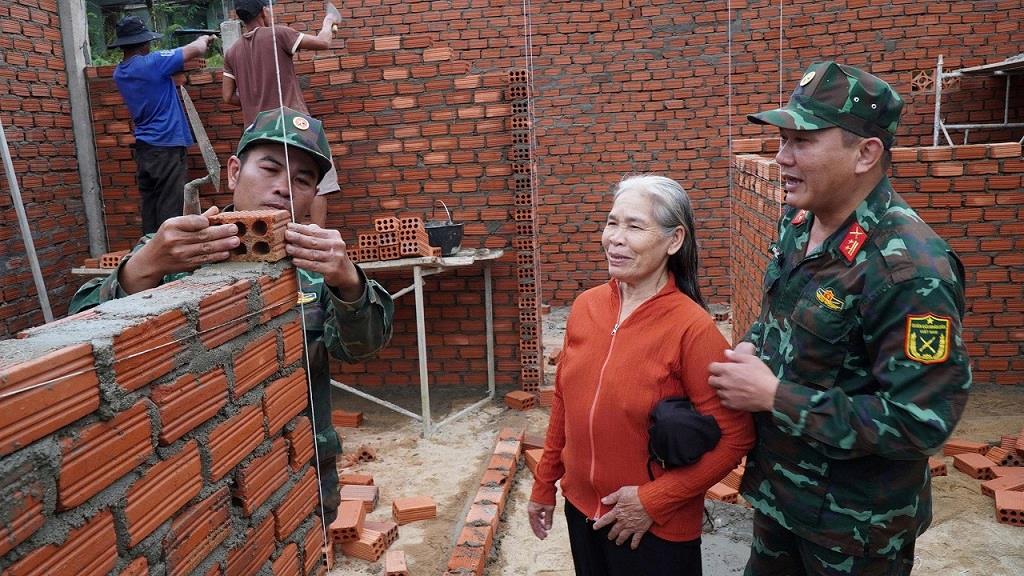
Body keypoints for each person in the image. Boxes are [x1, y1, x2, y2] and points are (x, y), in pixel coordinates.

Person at [69, 107, 394, 525]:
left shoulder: (316, 264)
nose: (284, 189)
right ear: (234, 172)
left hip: (298, 460)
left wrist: (348, 281)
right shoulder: (174, 249)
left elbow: (362, 349)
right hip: (192, 473)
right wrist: (143, 267)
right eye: (271, 169)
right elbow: (80, 341)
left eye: (303, 180)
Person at [708, 61, 972, 576]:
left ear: (866, 153)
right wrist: (751, 349)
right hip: (781, 498)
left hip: (855, 531)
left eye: (801, 141)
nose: (781, 158)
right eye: (781, 140)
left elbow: (921, 423)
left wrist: (773, 396)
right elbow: (778, 318)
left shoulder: (911, 270)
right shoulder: (799, 220)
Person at [528, 175, 755, 576]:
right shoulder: (585, 308)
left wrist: (655, 500)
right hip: (582, 511)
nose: (615, 238)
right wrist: (546, 484)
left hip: (655, 529)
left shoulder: (693, 329)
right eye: (612, 222)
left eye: (634, 226)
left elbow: (737, 437)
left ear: (673, 240)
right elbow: (564, 401)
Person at [222, 0, 340, 227]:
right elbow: (324, 42)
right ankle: (314, 242)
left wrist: (251, 101)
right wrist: (329, 20)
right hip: (294, 129)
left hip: (257, 135)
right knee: (315, 185)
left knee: (264, 191)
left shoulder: (233, 52)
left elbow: (227, 97)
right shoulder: (277, 34)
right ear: (265, 12)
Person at [109, 15, 214, 234]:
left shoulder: (120, 73)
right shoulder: (153, 64)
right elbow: (196, 49)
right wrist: (205, 38)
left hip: (145, 148)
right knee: (170, 207)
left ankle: (148, 254)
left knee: (151, 206)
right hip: (166, 146)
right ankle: (170, 263)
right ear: (144, 43)